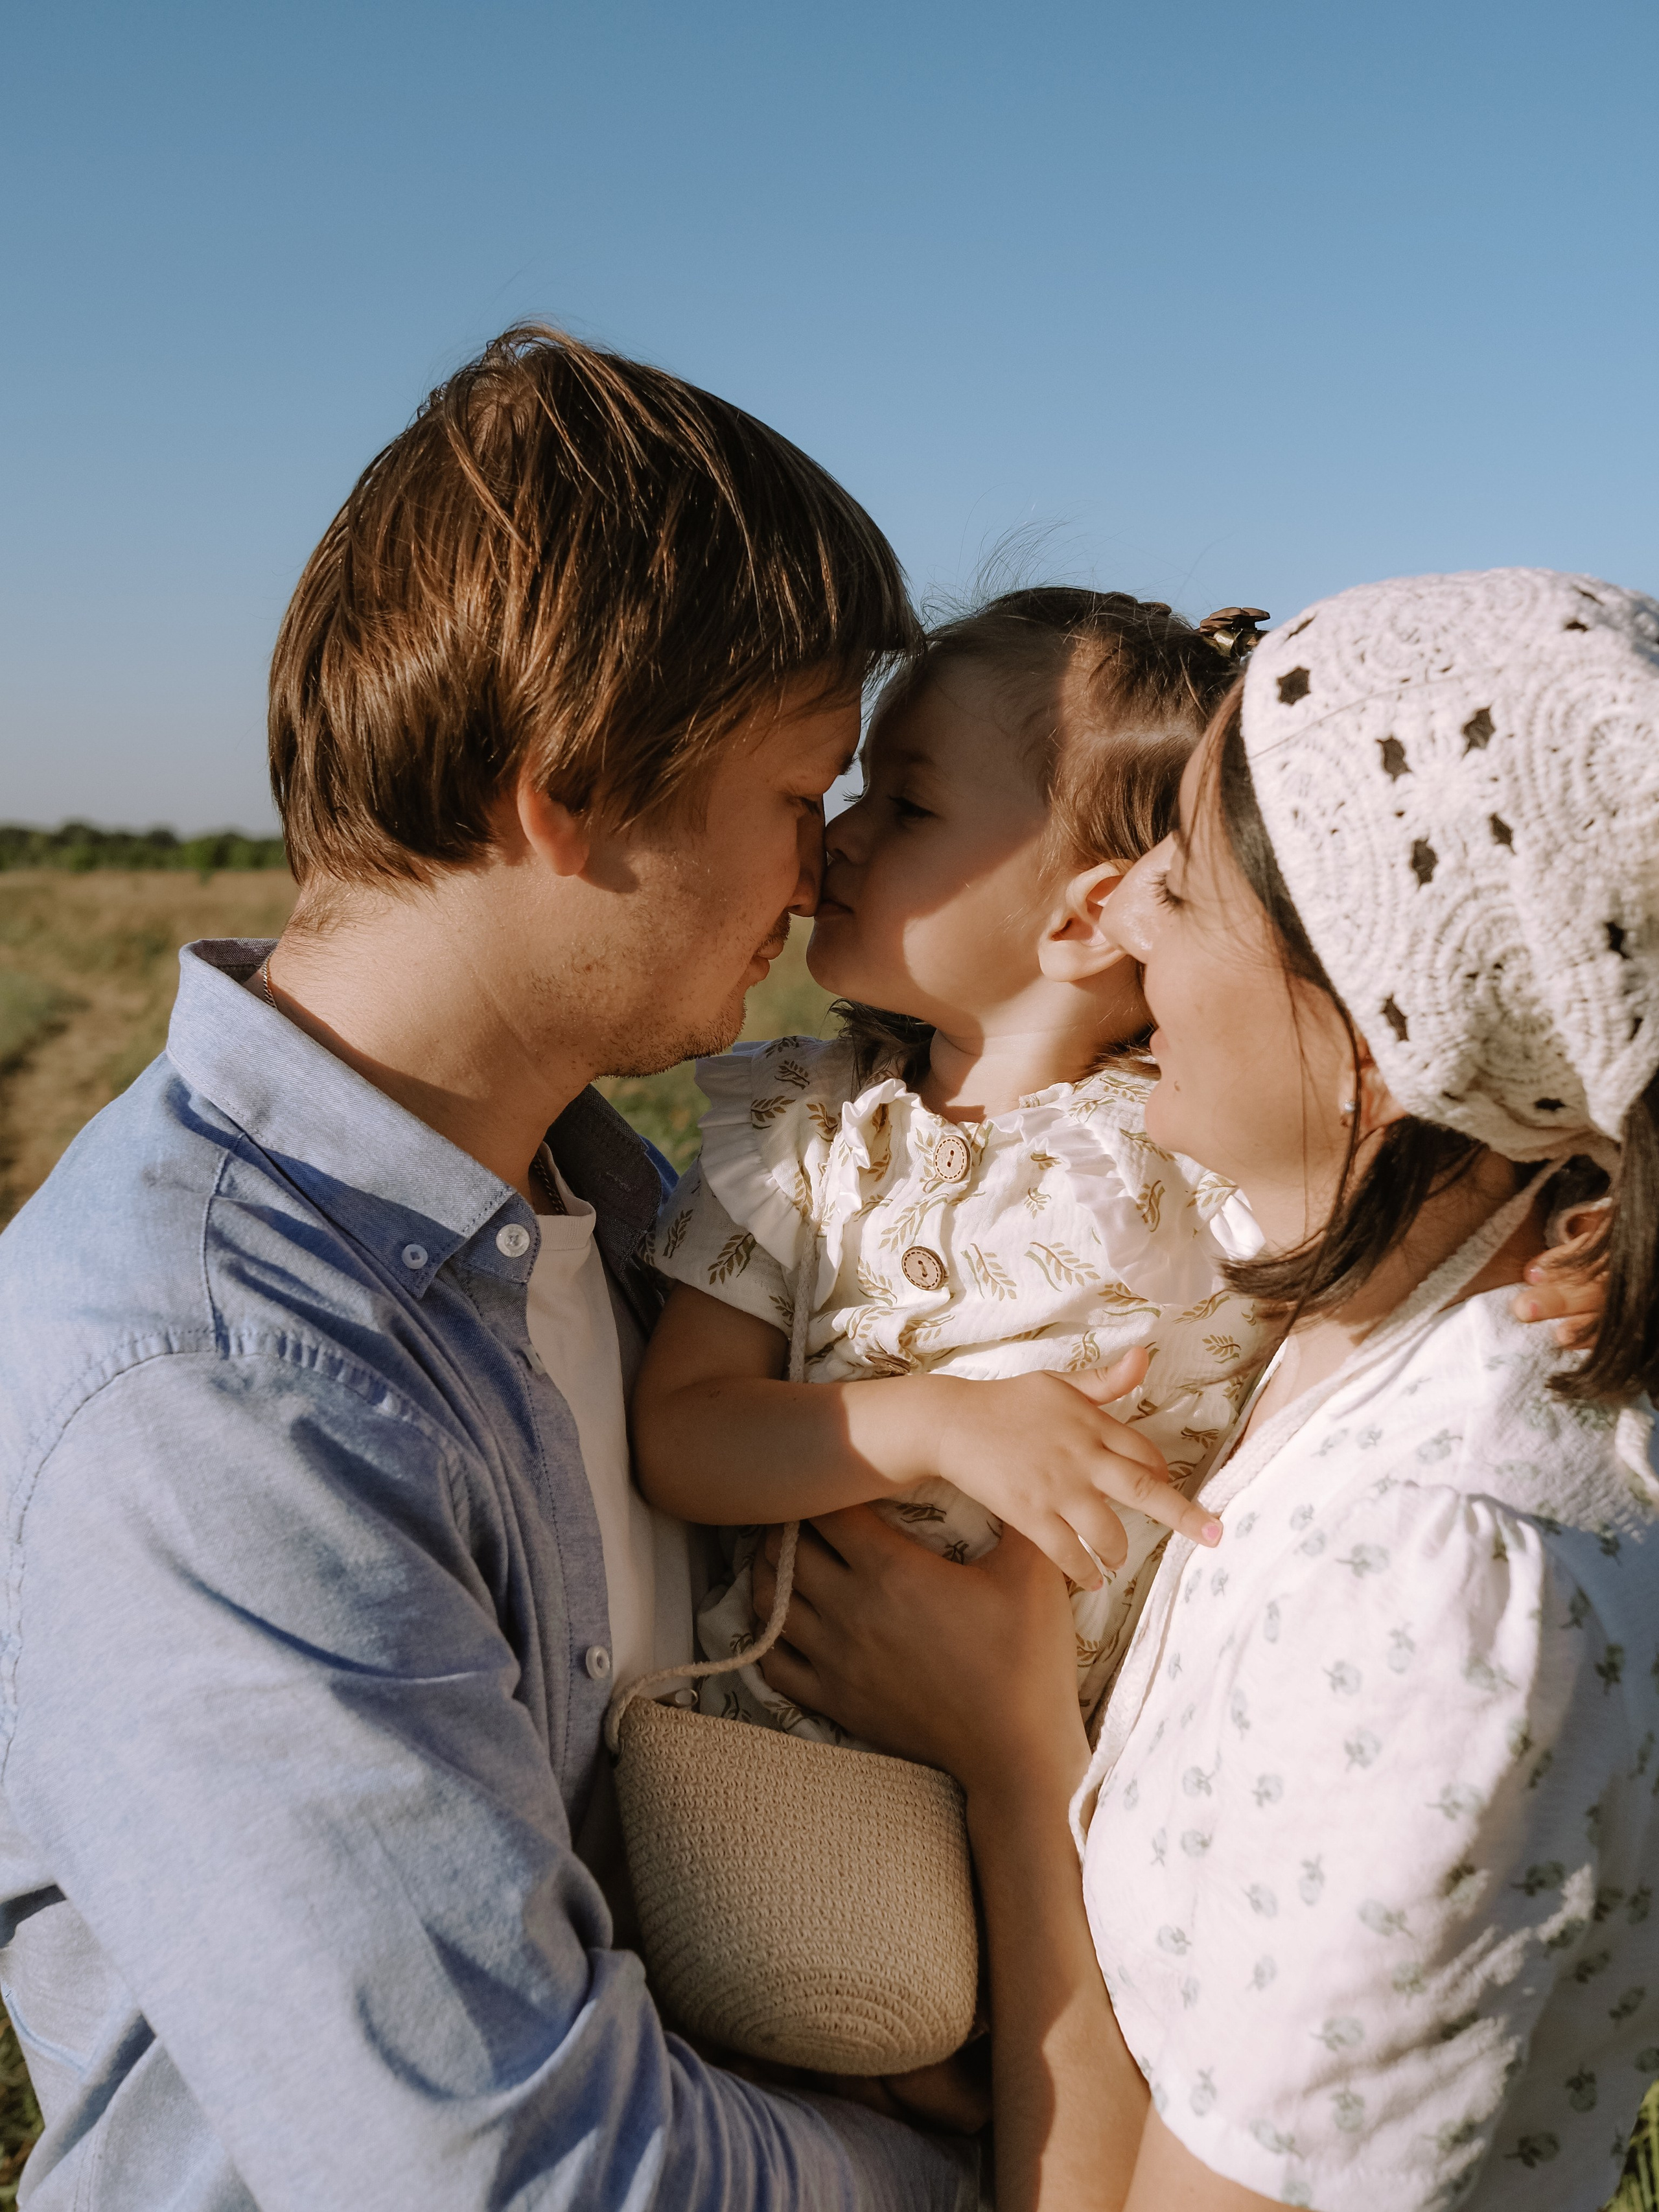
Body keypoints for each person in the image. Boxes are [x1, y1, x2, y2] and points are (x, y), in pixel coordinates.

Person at [0, 326, 981, 2208]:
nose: (817, 874)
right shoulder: (207, 1386)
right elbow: (510, 2173)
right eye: (799, 792)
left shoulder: (608, 1225)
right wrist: (1007, 2158)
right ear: (573, 787)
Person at [746, 567, 1659, 2210]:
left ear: (1374, 1032)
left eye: (1186, 880)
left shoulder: (1451, 1582)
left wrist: (1008, 1758)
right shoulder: (1316, 1304)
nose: (1126, 913)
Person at [632, 590, 1269, 1734]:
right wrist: (939, 1424)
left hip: (1099, 1767)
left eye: (907, 804)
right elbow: (683, 1435)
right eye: (857, 788)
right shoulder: (803, 1126)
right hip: (807, 1750)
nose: (837, 833)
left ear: (1085, 919)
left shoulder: (1204, 1142)